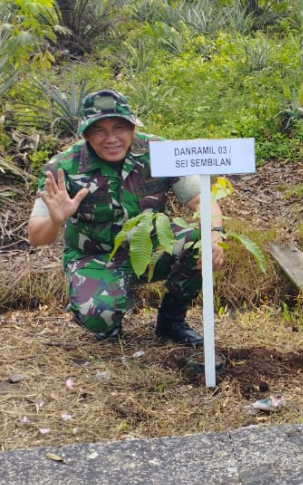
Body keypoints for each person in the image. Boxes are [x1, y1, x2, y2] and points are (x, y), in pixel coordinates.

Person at [27, 89, 225, 345]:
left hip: (151, 246)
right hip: (97, 256)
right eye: (99, 130)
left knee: (198, 245)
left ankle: (171, 321)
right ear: (86, 135)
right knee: (98, 313)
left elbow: (202, 200)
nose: (111, 139)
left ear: (132, 127)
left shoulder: (158, 151)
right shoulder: (63, 168)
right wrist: (56, 219)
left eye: (119, 127)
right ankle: (107, 317)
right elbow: (36, 236)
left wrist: (214, 235)